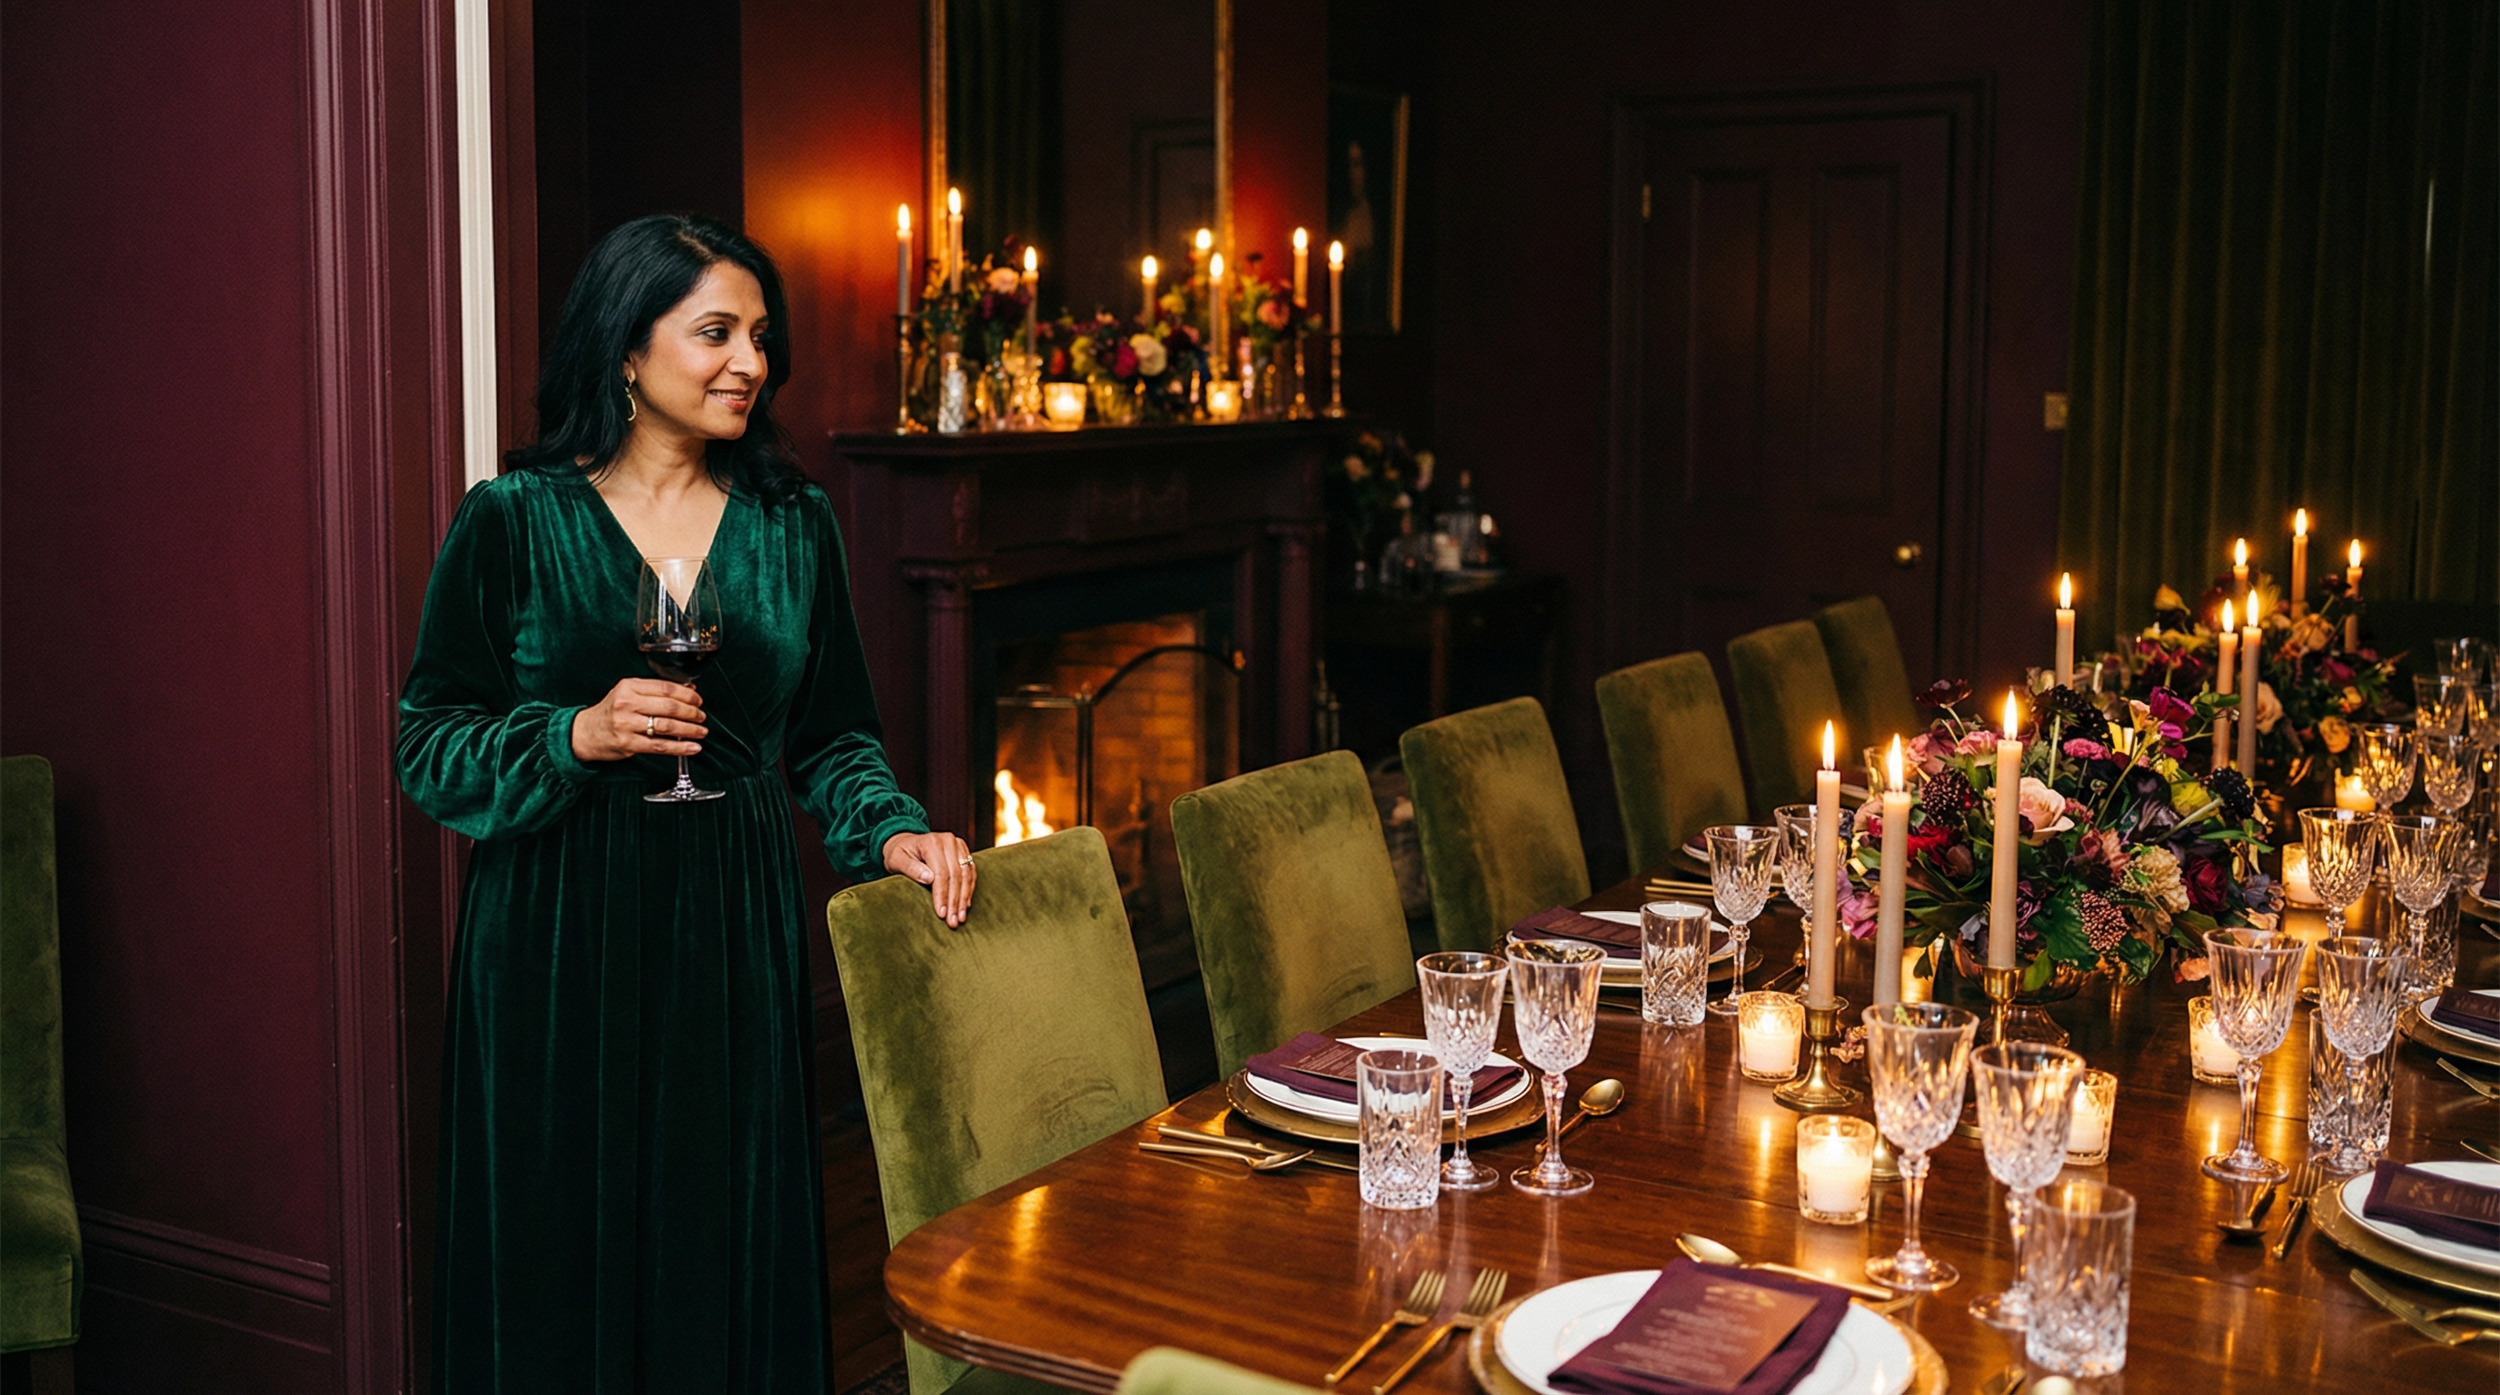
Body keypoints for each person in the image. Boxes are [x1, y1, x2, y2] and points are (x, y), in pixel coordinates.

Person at [397, 213, 974, 1390]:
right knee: (560, 1237)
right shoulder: (510, 519)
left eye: (761, 336)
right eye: (715, 331)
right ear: (624, 347)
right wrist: (573, 732)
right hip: (554, 944)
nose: (749, 364)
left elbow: (831, 731)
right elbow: (429, 744)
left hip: (728, 925)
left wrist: (890, 828)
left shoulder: (790, 523)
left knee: (718, 1228)